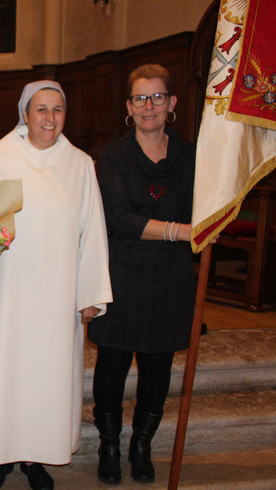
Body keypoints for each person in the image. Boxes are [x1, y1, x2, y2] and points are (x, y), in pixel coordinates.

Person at [0, 80, 113, 490]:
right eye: (41, 109)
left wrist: (90, 295)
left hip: (56, 294)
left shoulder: (80, 164)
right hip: (6, 290)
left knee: (47, 377)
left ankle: (36, 457)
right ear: (25, 114)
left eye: (57, 110)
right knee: (3, 373)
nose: (49, 118)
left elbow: (93, 231)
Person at [88, 64, 197, 485]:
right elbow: (118, 218)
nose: (148, 106)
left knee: (157, 367)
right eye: (139, 98)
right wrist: (179, 231)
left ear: (171, 103)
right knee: (112, 365)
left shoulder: (190, 155)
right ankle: (110, 444)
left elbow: (203, 209)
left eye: (156, 97)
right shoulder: (112, 154)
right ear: (128, 107)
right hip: (122, 274)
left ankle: (142, 444)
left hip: (170, 278)